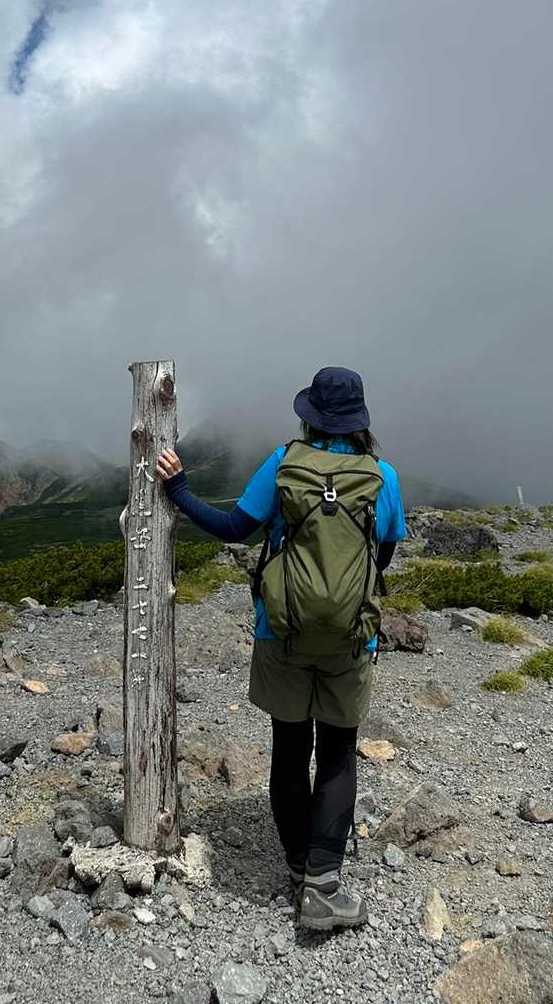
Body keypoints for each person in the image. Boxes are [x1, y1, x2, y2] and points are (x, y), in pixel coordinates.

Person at [155, 365, 407, 931]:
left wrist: (179, 491)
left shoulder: (284, 463)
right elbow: (382, 557)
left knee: (290, 750)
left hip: (282, 633)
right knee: (338, 751)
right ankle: (323, 884)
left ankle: (297, 869)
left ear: (309, 416)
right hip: (350, 639)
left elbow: (234, 528)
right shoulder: (382, 476)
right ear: (360, 421)